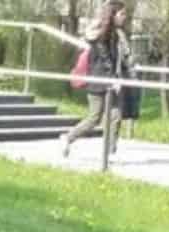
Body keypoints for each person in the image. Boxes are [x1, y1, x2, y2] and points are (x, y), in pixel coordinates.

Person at [61, 1, 133, 158]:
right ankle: (68, 137)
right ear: (113, 15)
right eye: (122, 14)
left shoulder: (117, 34)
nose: (125, 17)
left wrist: (127, 70)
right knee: (94, 118)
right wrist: (113, 80)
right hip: (99, 81)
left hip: (111, 82)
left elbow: (119, 58)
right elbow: (105, 60)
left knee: (116, 115)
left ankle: (108, 152)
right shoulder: (101, 34)